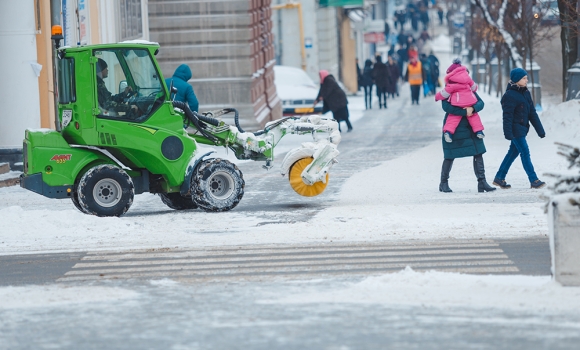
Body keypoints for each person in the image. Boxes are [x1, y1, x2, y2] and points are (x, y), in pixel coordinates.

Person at [493, 68, 546, 189]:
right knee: (525, 152)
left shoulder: (526, 93)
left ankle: (499, 177)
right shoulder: (509, 95)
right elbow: (507, 117)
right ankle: (534, 179)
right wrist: (508, 133)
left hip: (522, 128)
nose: (527, 80)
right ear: (517, 79)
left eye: (526, 77)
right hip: (515, 130)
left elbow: (532, 113)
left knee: (512, 153)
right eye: (524, 78)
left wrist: (540, 130)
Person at [439, 92, 496, 193]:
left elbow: (480, 103)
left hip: (471, 125)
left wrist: (472, 109)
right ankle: (443, 182)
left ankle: (482, 182)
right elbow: (445, 106)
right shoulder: (449, 89)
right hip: (453, 126)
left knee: (478, 151)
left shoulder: (468, 88)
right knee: (450, 154)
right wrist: (464, 112)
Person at [435, 58, 485, 143]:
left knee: (453, 117)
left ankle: (448, 132)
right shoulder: (467, 79)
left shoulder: (452, 83)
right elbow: (474, 87)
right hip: (470, 101)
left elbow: (444, 94)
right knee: (474, 116)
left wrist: (437, 97)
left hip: (458, 103)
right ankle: (479, 131)